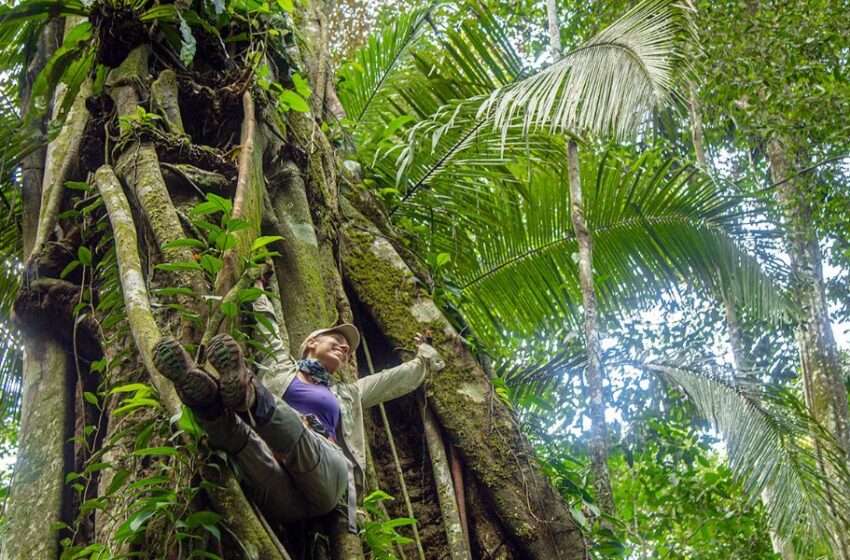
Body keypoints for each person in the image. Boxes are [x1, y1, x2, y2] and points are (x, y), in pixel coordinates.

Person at [151, 290, 445, 532]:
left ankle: (249, 397)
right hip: (282, 497)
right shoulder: (281, 367)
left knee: (297, 433)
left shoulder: (348, 392)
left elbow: (394, 381)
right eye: (338, 341)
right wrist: (257, 285)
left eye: (347, 349)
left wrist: (426, 357)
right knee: (241, 442)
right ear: (311, 343)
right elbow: (270, 331)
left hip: (324, 479)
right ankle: (203, 398)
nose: (344, 348)